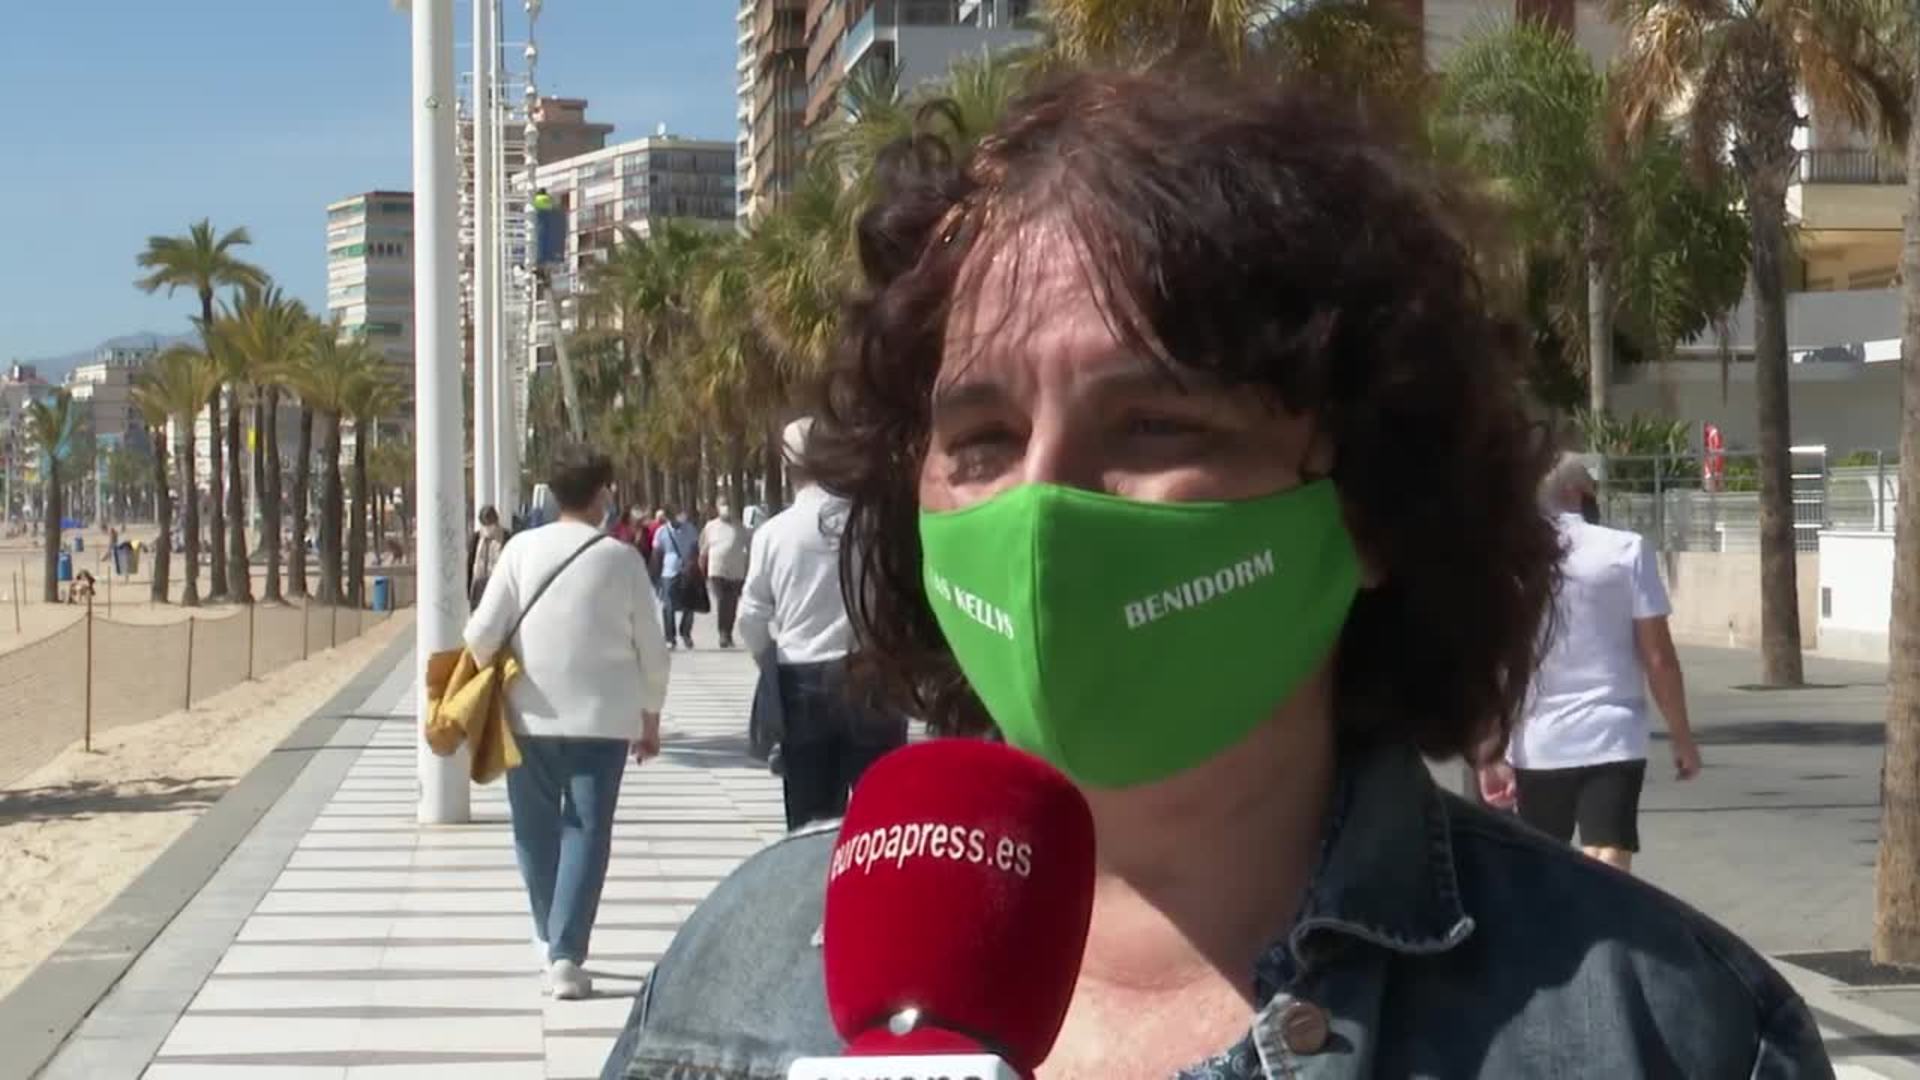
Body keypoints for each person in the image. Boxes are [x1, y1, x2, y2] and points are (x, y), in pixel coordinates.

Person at [603, 72, 1826, 1077]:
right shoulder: (740, 979)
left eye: (1154, 427)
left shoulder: (1666, 1033)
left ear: (1369, 504)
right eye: (980, 440)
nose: (1041, 506)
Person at [464, 442, 671, 1002]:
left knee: (533, 830)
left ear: (554, 494)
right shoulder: (621, 559)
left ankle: (548, 936)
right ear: (602, 494)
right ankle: (566, 953)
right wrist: (650, 716)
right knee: (587, 833)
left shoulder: (520, 550)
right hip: (603, 721)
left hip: (527, 715)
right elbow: (653, 650)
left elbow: (480, 635)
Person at [1478, 454, 1703, 873]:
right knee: (1608, 853)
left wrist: (1490, 751)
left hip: (1538, 742)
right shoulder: (1626, 550)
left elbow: (1495, 663)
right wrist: (1681, 737)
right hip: (1613, 733)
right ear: (1574, 492)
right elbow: (1658, 658)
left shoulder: (1510, 561)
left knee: (1544, 866)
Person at [736, 417, 908, 831]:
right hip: (872, 673)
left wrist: (766, 659)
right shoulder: (874, 523)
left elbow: (751, 617)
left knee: (809, 819)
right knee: (878, 817)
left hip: (802, 680)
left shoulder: (773, 533)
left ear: (788, 467)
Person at [699, 498, 751, 649]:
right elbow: (703, 549)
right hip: (717, 570)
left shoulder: (739, 527)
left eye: (727, 505)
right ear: (717, 507)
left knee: (732, 604)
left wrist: (749, 567)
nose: (725, 508)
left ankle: (728, 632)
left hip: (736, 571)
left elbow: (749, 547)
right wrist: (701, 567)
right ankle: (722, 633)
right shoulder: (710, 526)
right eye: (722, 505)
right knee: (722, 601)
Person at [653, 507, 700, 650]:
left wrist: (693, 563)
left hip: (688, 570)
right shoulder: (661, 531)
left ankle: (685, 632)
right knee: (668, 606)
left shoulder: (690, 529)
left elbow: (695, 548)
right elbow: (657, 553)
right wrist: (656, 576)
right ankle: (670, 638)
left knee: (689, 605)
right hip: (669, 572)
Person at [467, 506, 508, 609]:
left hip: (498, 584)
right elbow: (470, 563)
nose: (487, 528)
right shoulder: (477, 537)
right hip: (479, 584)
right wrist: (468, 587)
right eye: (484, 524)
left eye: (490, 524)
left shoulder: (506, 537)